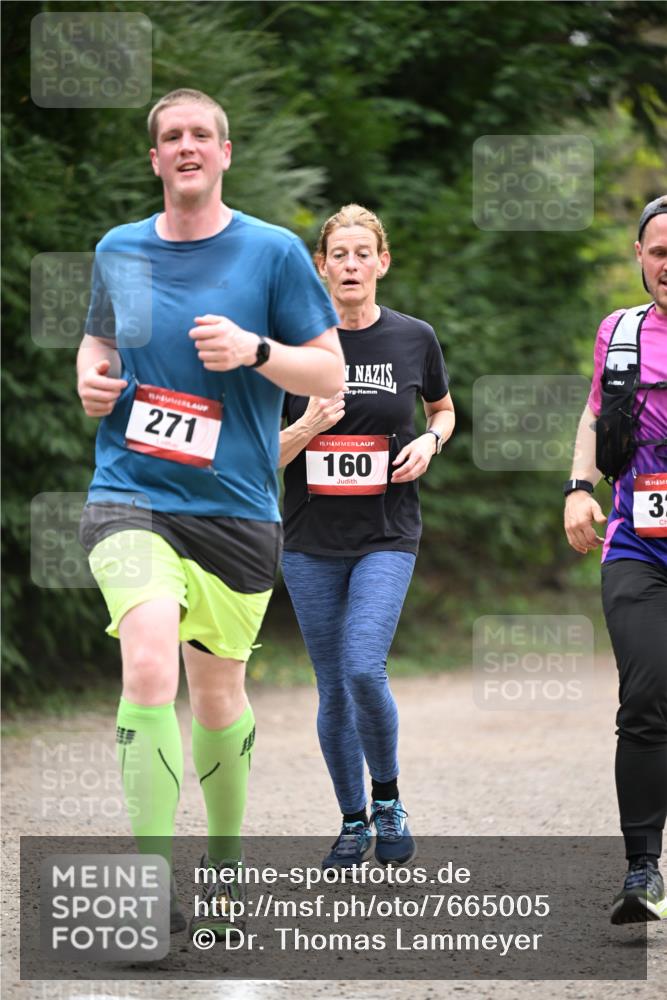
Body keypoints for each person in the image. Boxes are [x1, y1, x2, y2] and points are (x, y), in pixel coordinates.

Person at [76, 88, 344, 936]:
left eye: (201, 134)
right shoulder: (119, 249)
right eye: (171, 136)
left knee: (218, 694)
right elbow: (99, 341)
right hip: (131, 494)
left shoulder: (272, 253)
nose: (186, 145)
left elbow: (329, 373)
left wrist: (256, 350)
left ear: (224, 153)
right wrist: (91, 375)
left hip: (235, 509)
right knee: (150, 662)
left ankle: (225, 874)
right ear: (155, 158)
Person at [279, 204, 454, 868]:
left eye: (362, 253)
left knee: (361, 667)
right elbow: (259, 455)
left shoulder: (414, 337)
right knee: (332, 686)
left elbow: (443, 409)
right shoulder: (292, 347)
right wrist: (307, 427)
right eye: (338, 255)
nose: (350, 265)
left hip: (387, 532)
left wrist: (431, 442)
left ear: (382, 262)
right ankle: (352, 819)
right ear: (320, 267)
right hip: (309, 540)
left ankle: (387, 799)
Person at [564, 195, 667, 924]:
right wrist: (579, 487)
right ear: (639, 256)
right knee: (645, 696)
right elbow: (598, 413)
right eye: (660, 252)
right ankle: (643, 870)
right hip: (637, 544)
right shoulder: (618, 332)